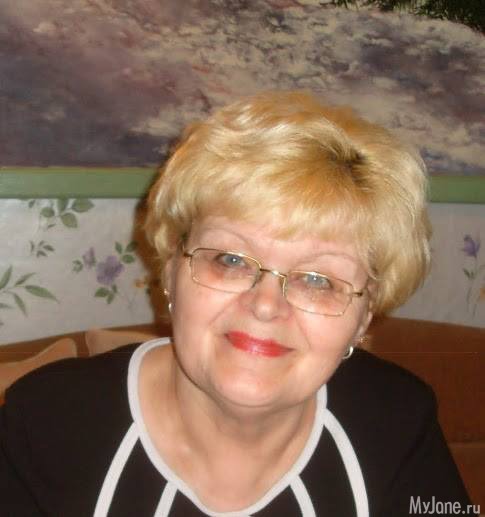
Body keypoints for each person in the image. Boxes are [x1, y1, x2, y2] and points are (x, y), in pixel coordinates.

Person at [0, 91, 474, 517]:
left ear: (364, 316)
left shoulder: (397, 423)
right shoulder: (45, 421)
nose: (265, 306)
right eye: (230, 260)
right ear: (171, 270)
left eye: (317, 280)